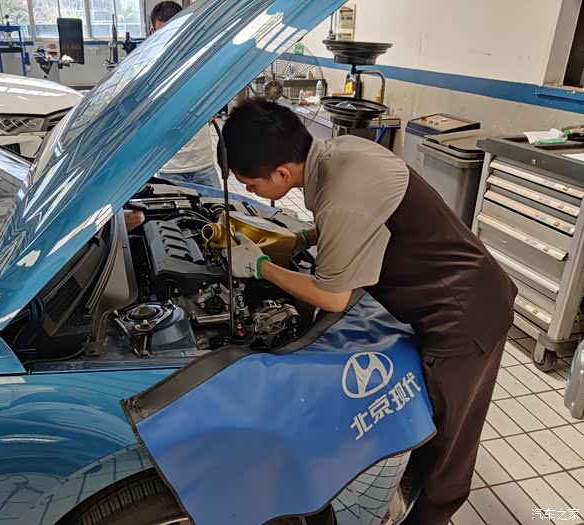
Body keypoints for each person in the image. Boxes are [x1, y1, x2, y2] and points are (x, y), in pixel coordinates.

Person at [221, 98, 517, 525]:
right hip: (457, 296)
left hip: (465, 316)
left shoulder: (340, 196)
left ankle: (430, 517)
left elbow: (332, 296)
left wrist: (262, 267)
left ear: (282, 173)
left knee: (449, 441)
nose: (251, 192)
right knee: (431, 421)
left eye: (250, 185)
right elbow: (360, 216)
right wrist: (302, 240)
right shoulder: (343, 151)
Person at [150, 1, 220, 189]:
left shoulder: (200, 61)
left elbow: (214, 97)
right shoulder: (149, 70)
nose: (171, 40)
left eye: (176, 32)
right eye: (165, 33)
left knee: (216, 207)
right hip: (169, 166)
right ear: (152, 31)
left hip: (203, 163)